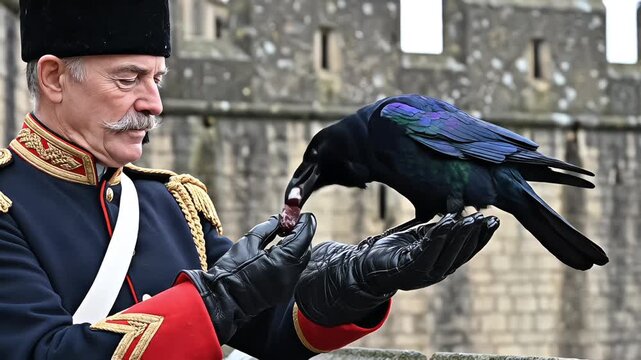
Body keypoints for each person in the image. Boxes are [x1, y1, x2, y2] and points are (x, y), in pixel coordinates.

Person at [0, 0, 500, 359]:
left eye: (158, 80)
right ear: (53, 78)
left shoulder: (170, 204)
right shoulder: (8, 207)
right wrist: (220, 300)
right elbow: (41, 350)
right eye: (128, 79)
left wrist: (358, 281)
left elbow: (272, 332)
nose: (154, 104)